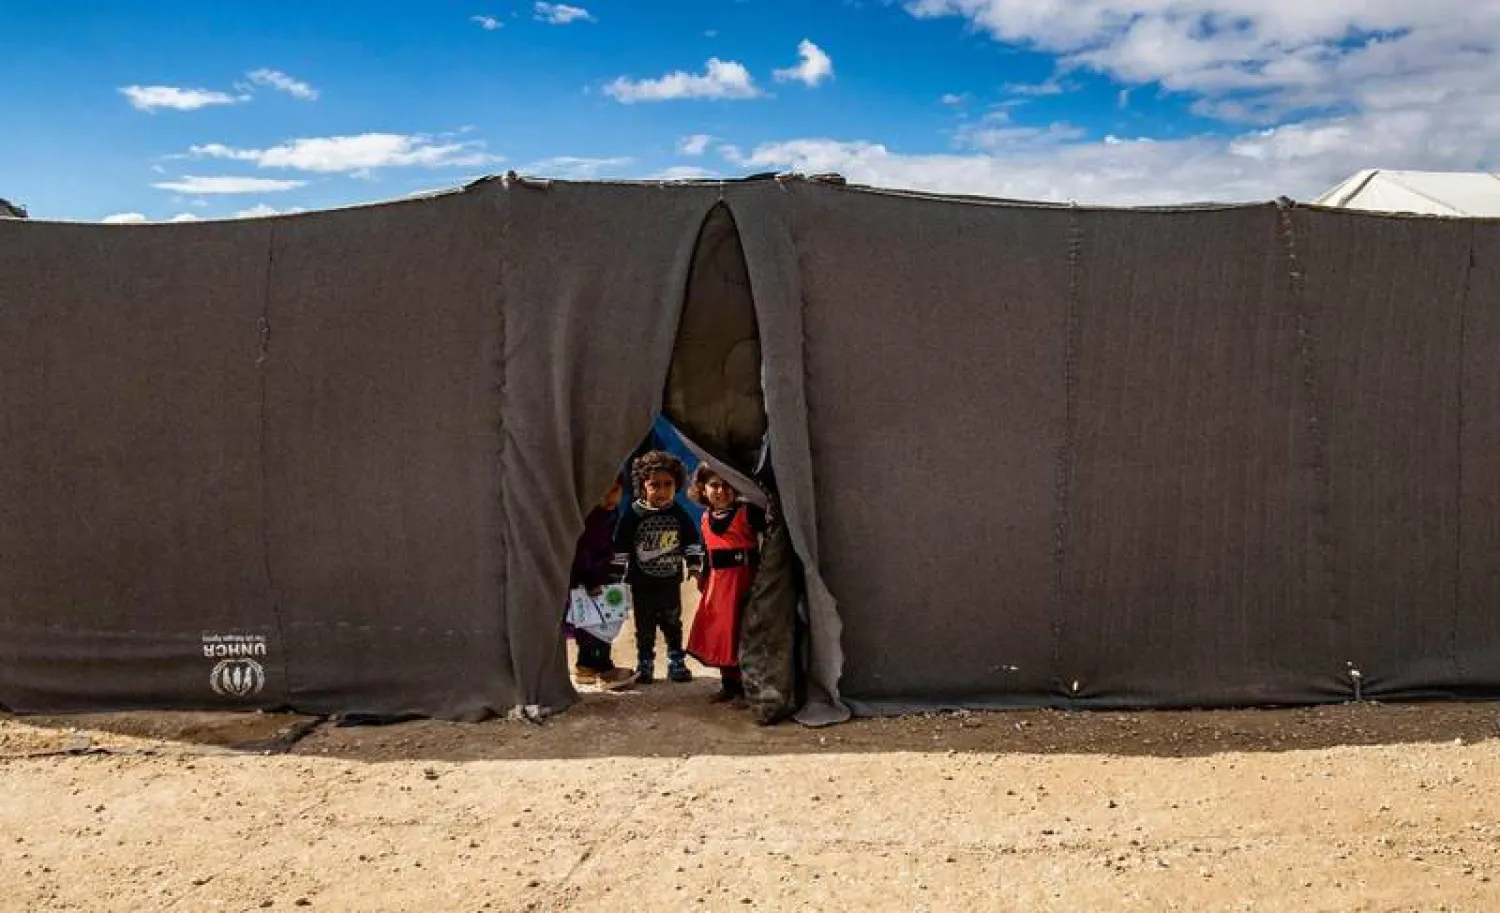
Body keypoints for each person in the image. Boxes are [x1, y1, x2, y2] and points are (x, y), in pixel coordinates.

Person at [613, 450, 702, 684]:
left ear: (677, 485)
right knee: (644, 625)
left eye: (668, 484)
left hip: (669, 581)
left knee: (673, 622)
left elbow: (691, 541)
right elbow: (621, 545)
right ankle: (645, 663)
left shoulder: (679, 514)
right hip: (642, 584)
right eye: (654, 485)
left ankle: (676, 660)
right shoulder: (633, 514)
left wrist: (694, 565)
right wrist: (615, 574)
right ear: (643, 486)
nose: (662, 491)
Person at [686, 466, 767, 703]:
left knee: (742, 632)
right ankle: (728, 685)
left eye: (727, 485)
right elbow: (706, 551)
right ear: (703, 489)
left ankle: (746, 689)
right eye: (715, 485)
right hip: (717, 587)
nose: (722, 491)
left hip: (743, 582)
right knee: (721, 634)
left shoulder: (747, 513)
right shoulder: (704, 518)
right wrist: (702, 576)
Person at [567, 478, 636, 690]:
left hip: (602, 579)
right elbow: (583, 553)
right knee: (592, 628)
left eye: (615, 489)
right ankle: (593, 667)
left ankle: (593, 665)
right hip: (588, 583)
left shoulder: (610, 513)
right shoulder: (590, 518)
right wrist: (590, 580)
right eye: (603, 490)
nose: (609, 496)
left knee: (602, 624)